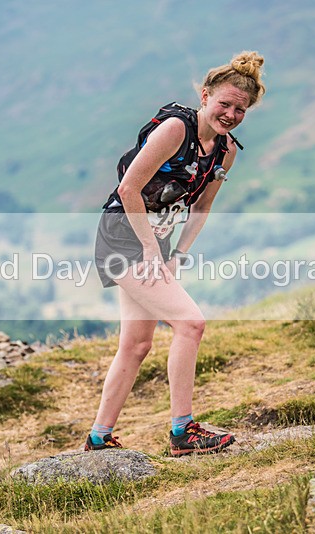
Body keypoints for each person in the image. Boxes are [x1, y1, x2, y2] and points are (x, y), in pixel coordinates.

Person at [87, 51, 266, 456]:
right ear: (205, 96)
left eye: (240, 109)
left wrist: (177, 254)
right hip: (123, 236)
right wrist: (151, 248)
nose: (231, 114)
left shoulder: (226, 151)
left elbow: (201, 207)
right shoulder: (174, 129)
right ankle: (183, 432)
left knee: (136, 345)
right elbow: (128, 190)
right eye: (224, 103)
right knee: (191, 324)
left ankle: (99, 438)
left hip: (156, 241)